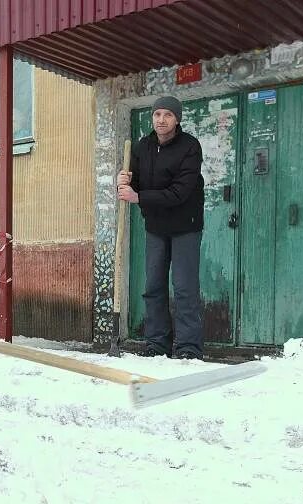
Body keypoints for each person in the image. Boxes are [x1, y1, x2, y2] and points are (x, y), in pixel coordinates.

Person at [116, 95, 205, 360]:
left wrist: (139, 196)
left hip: (185, 226)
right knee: (153, 286)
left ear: (177, 119)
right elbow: (130, 183)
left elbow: (179, 192)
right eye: (157, 115)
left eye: (167, 115)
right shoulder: (143, 147)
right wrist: (122, 180)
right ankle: (157, 343)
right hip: (155, 226)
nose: (161, 120)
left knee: (184, 287)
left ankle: (188, 347)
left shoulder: (190, 147)